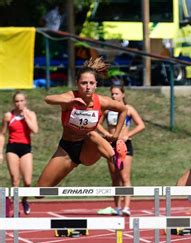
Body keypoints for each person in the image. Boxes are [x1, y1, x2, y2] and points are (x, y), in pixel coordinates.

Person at [36, 57, 128, 188]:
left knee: (92, 135)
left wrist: (116, 135)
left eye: (91, 83)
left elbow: (123, 109)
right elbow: (48, 99)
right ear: (77, 84)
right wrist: (68, 102)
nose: (88, 87)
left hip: (88, 149)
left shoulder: (101, 101)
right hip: (67, 148)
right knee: (41, 190)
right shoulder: (70, 97)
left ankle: (115, 157)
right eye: (84, 83)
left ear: (96, 84)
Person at [96, 85, 145, 216]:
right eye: (112, 94)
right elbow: (97, 124)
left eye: (116, 94)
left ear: (123, 94)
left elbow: (141, 125)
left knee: (125, 176)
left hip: (125, 146)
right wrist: (106, 133)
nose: (114, 96)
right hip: (111, 145)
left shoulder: (128, 109)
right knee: (115, 177)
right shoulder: (107, 110)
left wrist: (128, 135)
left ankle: (126, 207)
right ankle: (117, 207)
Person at [0, 91, 39, 215]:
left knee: (27, 181)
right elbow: (2, 134)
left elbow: (35, 130)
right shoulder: (8, 116)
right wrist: (0, 152)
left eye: (21, 101)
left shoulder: (31, 114)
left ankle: (25, 199)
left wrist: (25, 116)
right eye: (17, 101)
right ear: (14, 102)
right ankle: (15, 207)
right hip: (12, 148)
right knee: (15, 180)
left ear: (25, 101)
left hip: (26, 148)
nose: (19, 103)